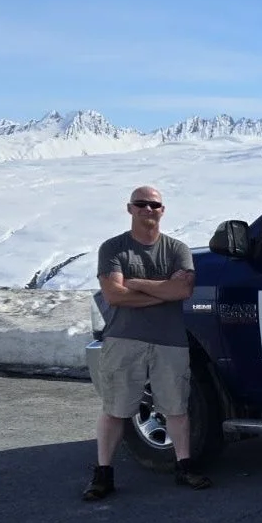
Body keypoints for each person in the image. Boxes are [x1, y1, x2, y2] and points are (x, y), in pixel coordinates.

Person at [82, 185, 211, 500]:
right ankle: (103, 474)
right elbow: (113, 295)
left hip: (170, 342)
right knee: (115, 409)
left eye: (154, 204)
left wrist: (135, 285)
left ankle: (184, 467)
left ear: (163, 210)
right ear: (130, 208)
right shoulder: (113, 248)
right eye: (141, 204)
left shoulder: (177, 249)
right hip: (124, 340)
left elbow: (182, 292)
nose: (148, 209)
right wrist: (161, 290)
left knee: (177, 408)